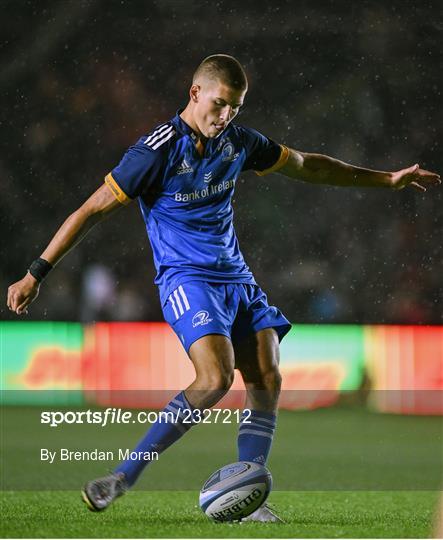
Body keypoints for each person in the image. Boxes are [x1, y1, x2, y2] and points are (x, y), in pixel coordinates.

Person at [7, 54, 440, 523]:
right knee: (215, 379)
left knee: (268, 375)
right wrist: (37, 271)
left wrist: (387, 180)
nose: (226, 115)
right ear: (195, 94)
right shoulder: (154, 152)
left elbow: (308, 166)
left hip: (236, 278)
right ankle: (123, 477)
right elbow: (90, 210)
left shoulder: (239, 142)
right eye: (219, 104)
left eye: (235, 107)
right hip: (186, 280)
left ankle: (246, 489)